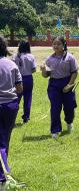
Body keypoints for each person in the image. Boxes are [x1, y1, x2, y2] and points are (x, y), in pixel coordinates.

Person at [40, 36, 78, 139]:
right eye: (54, 44)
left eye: (58, 44)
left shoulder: (70, 58)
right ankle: (55, 130)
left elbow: (74, 72)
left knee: (69, 107)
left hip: (67, 83)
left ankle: (69, 122)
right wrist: (43, 69)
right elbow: (45, 75)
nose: (56, 46)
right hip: (54, 86)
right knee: (55, 107)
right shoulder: (49, 59)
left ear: (63, 45)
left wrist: (69, 85)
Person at [0, 35, 25, 188]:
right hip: (10, 106)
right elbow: (20, 88)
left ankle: (2, 177)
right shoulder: (11, 64)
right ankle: (3, 174)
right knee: (4, 140)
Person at [12, 40, 36, 123]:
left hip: (18, 79)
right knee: (28, 98)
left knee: (16, 98)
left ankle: (12, 115)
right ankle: (26, 116)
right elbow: (34, 70)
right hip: (28, 78)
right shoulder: (31, 56)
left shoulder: (15, 56)